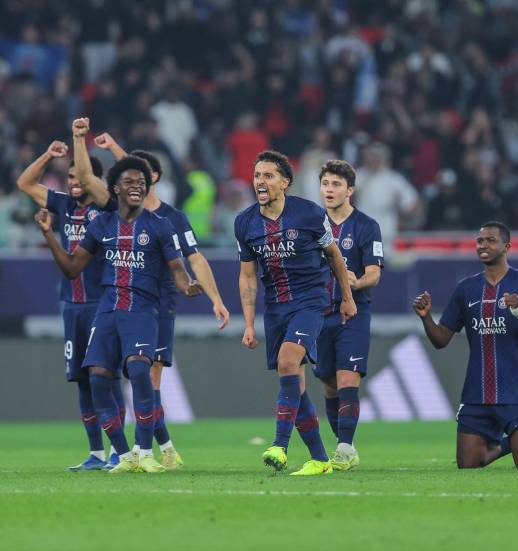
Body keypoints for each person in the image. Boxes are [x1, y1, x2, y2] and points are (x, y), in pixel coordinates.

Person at [34, 155, 203, 474]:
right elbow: (72, 268)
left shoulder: (160, 225)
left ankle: (144, 451)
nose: (137, 186)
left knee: (139, 372)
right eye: (129, 181)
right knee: (98, 378)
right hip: (107, 311)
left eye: (141, 182)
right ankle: (124, 455)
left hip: (141, 311)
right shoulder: (101, 224)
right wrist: (48, 234)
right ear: (114, 189)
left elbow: (177, 269)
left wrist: (188, 285)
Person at [94, 133, 230, 469]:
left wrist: (215, 298)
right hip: (121, 302)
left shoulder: (172, 219)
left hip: (161, 302)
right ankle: (161, 446)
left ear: (153, 178)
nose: (134, 180)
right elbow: (124, 171)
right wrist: (112, 148)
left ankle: (150, 450)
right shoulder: (120, 211)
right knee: (124, 375)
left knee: (150, 375)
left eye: (142, 174)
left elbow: (195, 260)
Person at [413, 221, 518, 469]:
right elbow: (441, 340)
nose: (483, 245)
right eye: (480, 241)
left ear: (507, 247)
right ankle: (513, 441)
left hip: (517, 393)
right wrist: (426, 317)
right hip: (477, 395)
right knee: (468, 465)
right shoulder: (466, 289)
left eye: (491, 240)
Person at [235, 150, 356, 476]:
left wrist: (346, 298)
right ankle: (319, 458)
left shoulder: (310, 214)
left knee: (289, 362)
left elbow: (334, 256)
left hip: (310, 301)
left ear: (285, 182)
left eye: (268, 175)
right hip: (275, 308)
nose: (260, 181)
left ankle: (280, 445)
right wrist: (248, 323)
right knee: (294, 384)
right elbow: (247, 276)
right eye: (257, 175)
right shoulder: (244, 222)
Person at [16, 120, 126, 471]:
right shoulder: (63, 206)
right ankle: (95, 452)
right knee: (81, 380)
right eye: (71, 180)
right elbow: (24, 183)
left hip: (102, 303)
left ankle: (118, 450)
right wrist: (49, 154)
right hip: (72, 305)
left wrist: (81, 140)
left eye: (80, 179)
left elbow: (99, 184)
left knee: (105, 377)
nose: (74, 184)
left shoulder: (107, 207)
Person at [311, 159, 383, 470]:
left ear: (349, 190)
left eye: (336, 184)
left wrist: (355, 281)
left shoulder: (367, 226)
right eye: (326, 183)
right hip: (319, 312)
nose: (329, 189)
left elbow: (374, 275)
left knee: (347, 377)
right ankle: (346, 445)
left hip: (354, 312)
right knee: (328, 383)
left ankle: (342, 448)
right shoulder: (311, 224)